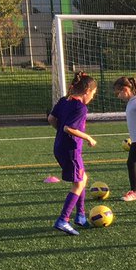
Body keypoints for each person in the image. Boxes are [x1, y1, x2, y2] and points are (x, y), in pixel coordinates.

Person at [47, 71, 99, 235]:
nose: (92, 97)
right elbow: (69, 128)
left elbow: (51, 119)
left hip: (59, 146)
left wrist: (61, 133)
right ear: (87, 92)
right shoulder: (80, 107)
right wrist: (88, 137)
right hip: (71, 150)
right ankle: (63, 220)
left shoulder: (64, 100)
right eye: (93, 94)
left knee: (82, 179)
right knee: (78, 184)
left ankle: (81, 216)